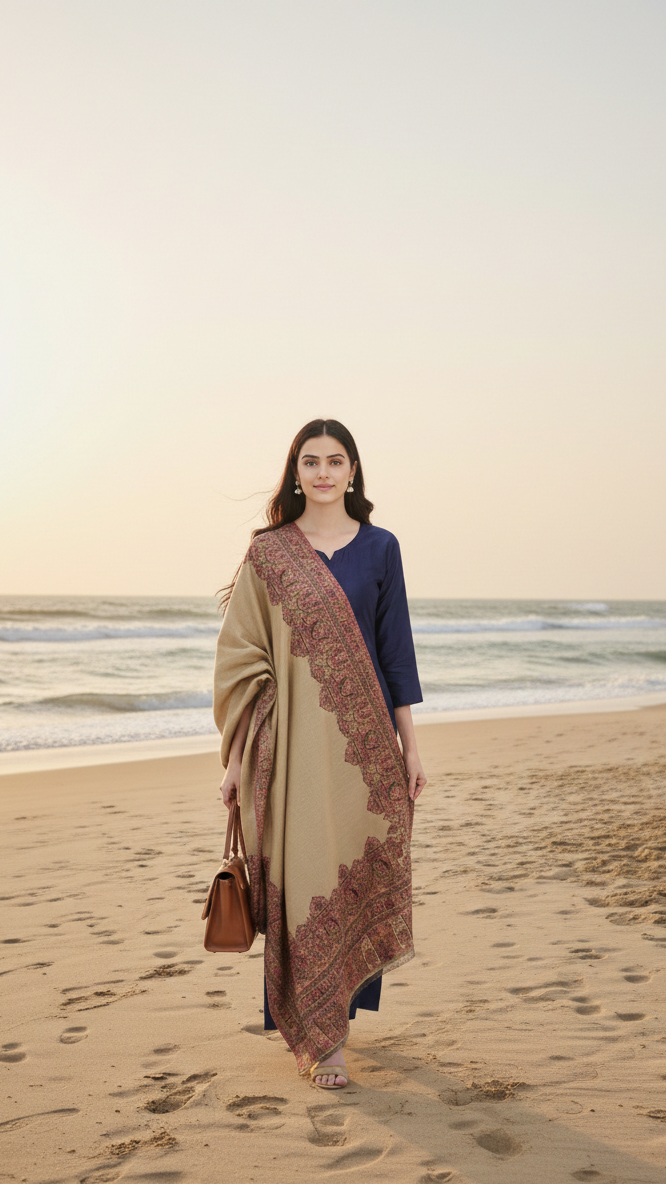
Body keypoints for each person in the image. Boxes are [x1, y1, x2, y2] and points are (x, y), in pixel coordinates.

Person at [213, 418, 427, 1089]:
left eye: (336, 461)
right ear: (295, 472)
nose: (324, 472)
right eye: (311, 461)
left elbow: (395, 652)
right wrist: (237, 759)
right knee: (302, 877)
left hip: (362, 754)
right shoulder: (270, 553)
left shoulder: (381, 548)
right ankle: (318, 1040)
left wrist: (409, 747)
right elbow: (241, 652)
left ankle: (342, 1015)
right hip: (293, 754)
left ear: (354, 472)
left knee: (353, 870)